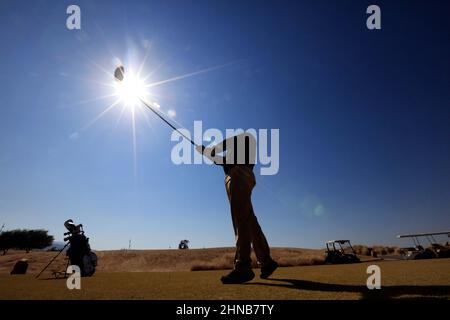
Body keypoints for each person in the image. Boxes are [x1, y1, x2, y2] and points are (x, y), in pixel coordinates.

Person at [196, 133, 278, 284]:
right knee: (249, 221)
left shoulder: (246, 138)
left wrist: (211, 150)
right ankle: (266, 261)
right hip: (236, 175)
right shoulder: (234, 156)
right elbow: (222, 161)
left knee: (240, 220)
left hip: (238, 175)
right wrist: (206, 153)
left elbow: (224, 148)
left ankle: (243, 267)